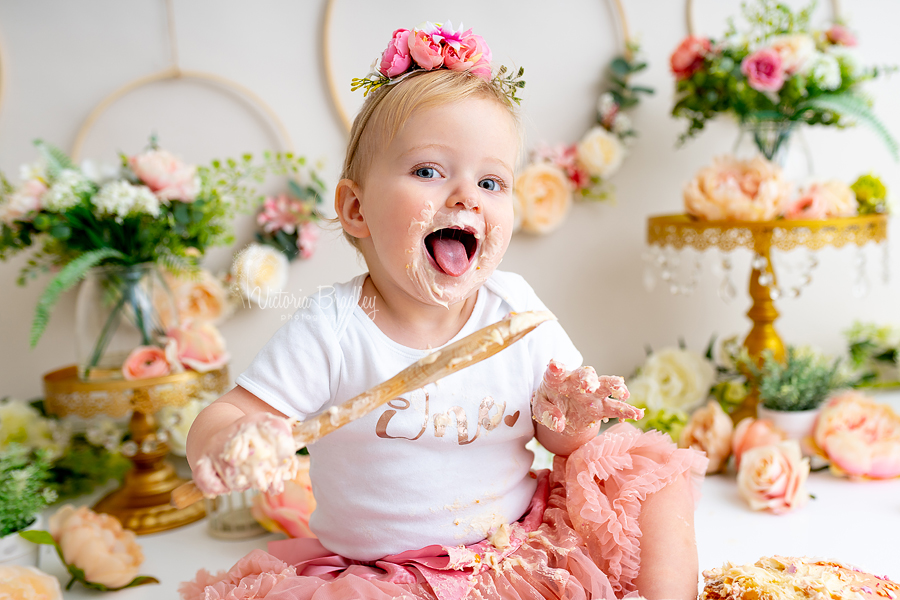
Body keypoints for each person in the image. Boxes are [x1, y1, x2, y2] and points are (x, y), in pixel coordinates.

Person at [184, 22, 707, 600]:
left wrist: (570, 419)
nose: (467, 197)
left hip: (518, 549)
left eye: (491, 181)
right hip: (386, 578)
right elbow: (226, 414)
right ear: (356, 208)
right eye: (428, 171)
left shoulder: (515, 311)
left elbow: (558, 440)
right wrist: (231, 442)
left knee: (648, 471)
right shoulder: (333, 328)